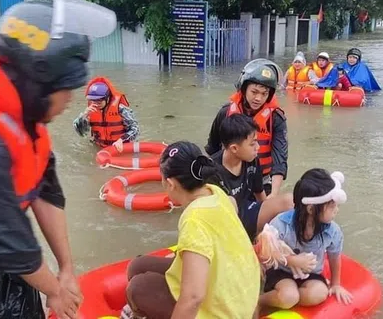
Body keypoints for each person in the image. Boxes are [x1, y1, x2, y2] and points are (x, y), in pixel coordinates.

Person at [0, 0, 117, 318]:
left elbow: (46, 190)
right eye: (64, 87)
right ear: (34, 80)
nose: (71, 98)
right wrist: (54, 290)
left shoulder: (26, 122)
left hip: (12, 268)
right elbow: (10, 244)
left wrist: (67, 269)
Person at [125, 141, 260, 319]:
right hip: (240, 293)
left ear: (171, 184)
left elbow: (194, 297)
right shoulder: (215, 192)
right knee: (138, 266)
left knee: (138, 288)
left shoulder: (194, 219)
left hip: (225, 312)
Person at [259, 169, 353, 310]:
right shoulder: (281, 223)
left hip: (311, 274)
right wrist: (292, 260)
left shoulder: (332, 231)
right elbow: (266, 251)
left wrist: (335, 284)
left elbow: (334, 256)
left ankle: (288, 299)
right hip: (282, 271)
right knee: (289, 296)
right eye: (332, 206)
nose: (336, 210)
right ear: (311, 209)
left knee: (319, 293)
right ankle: (260, 301)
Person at [205, 59, 288, 197]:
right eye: (254, 92)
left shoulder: (276, 119)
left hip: (262, 180)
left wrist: (273, 195)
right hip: (227, 179)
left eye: (264, 94)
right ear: (244, 89)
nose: (258, 98)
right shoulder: (225, 113)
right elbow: (212, 149)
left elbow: (280, 159)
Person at [211, 114, 293, 241]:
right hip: (227, 223)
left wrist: (268, 220)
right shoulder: (212, 171)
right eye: (252, 144)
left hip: (249, 211)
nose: (258, 148)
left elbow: (260, 194)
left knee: (289, 201)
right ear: (234, 148)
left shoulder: (252, 161)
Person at [73, 76, 140, 151]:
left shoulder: (121, 109)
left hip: (119, 148)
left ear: (107, 98)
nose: (96, 104)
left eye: (99, 101)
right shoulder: (90, 111)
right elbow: (82, 133)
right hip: (100, 148)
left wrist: (121, 140)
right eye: (93, 100)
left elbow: (135, 129)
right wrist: (84, 116)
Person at [317, 48, 381, 92]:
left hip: (355, 88)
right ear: (347, 58)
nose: (351, 59)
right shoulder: (343, 65)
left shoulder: (362, 67)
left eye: (354, 58)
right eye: (350, 57)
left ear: (358, 59)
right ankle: (322, 85)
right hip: (344, 86)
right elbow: (333, 74)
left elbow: (363, 80)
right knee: (335, 74)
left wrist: (352, 82)